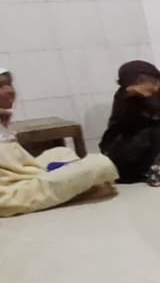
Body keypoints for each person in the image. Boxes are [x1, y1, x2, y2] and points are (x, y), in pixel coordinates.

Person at [0, 68, 119, 217]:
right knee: (100, 164)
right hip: (11, 195)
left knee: (61, 152)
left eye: (9, 84)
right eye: (1, 86)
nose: (10, 91)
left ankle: (72, 187)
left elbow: (18, 165)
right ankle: (77, 188)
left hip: (27, 176)